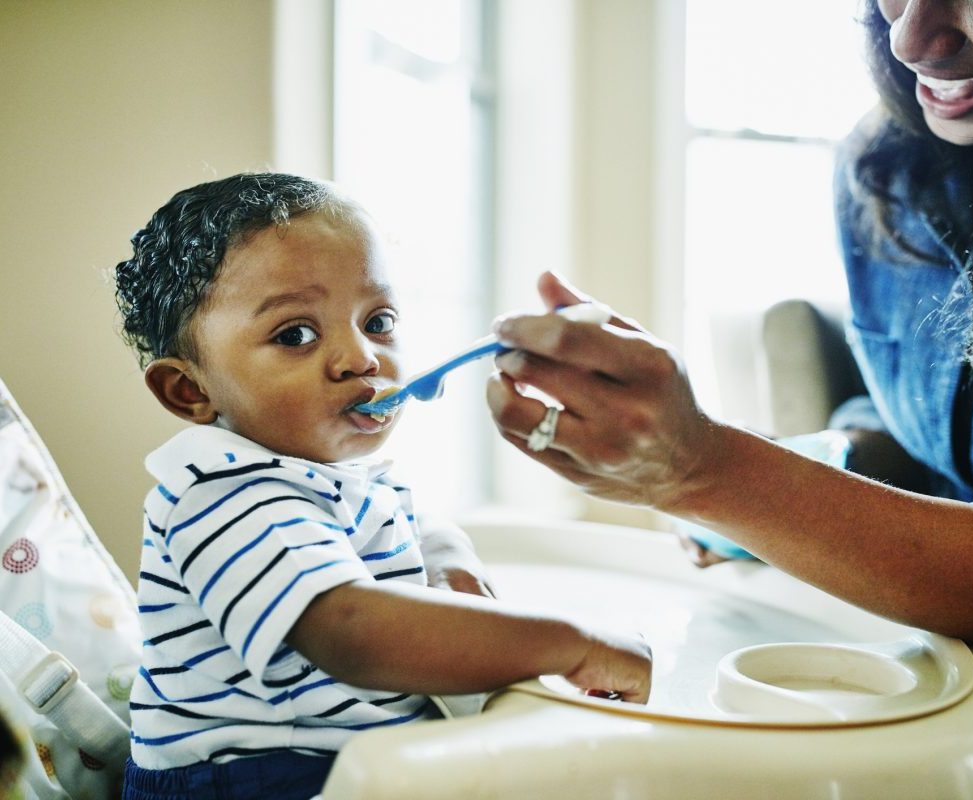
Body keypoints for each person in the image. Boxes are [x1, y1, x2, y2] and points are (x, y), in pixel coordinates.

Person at [485, 0, 973, 684]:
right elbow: (915, 427)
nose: (911, 38)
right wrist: (812, 467)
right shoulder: (883, 171)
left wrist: (712, 472)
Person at [112, 173, 651, 799]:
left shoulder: (334, 474)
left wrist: (450, 562)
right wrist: (573, 643)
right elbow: (353, 631)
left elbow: (414, 523)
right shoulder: (225, 496)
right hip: (252, 777)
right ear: (191, 391)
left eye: (378, 319)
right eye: (296, 335)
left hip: (348, 760)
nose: (361, 356)